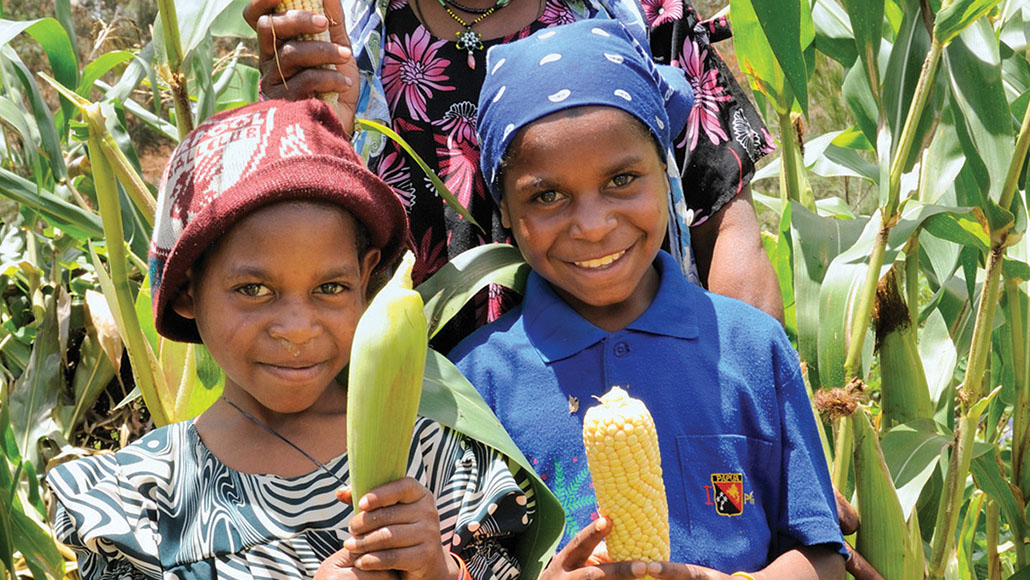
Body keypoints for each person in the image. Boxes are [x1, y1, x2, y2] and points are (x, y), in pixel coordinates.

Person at [46, 99, 539, 580]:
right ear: (187, 294)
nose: (298, 328)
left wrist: (437, 570)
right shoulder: (142, 499)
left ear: (366, 281)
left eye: (330, 288)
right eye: (254, 290)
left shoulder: (432, 457)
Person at [450, 20, 846, 579]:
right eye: (547, 195)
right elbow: (459, 561)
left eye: (621, 180)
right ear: (508, 218)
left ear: (667, 176)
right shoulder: (474, 384)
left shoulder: (752, 348)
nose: (591, 225)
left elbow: (823, 556)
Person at [242, 0, 783, 351]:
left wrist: (772, 429)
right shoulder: (348, 41)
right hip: (422, 437)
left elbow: (724, 223)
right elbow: (300, 272)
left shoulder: (638, 15)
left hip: (655, 403)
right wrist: (311, 127)